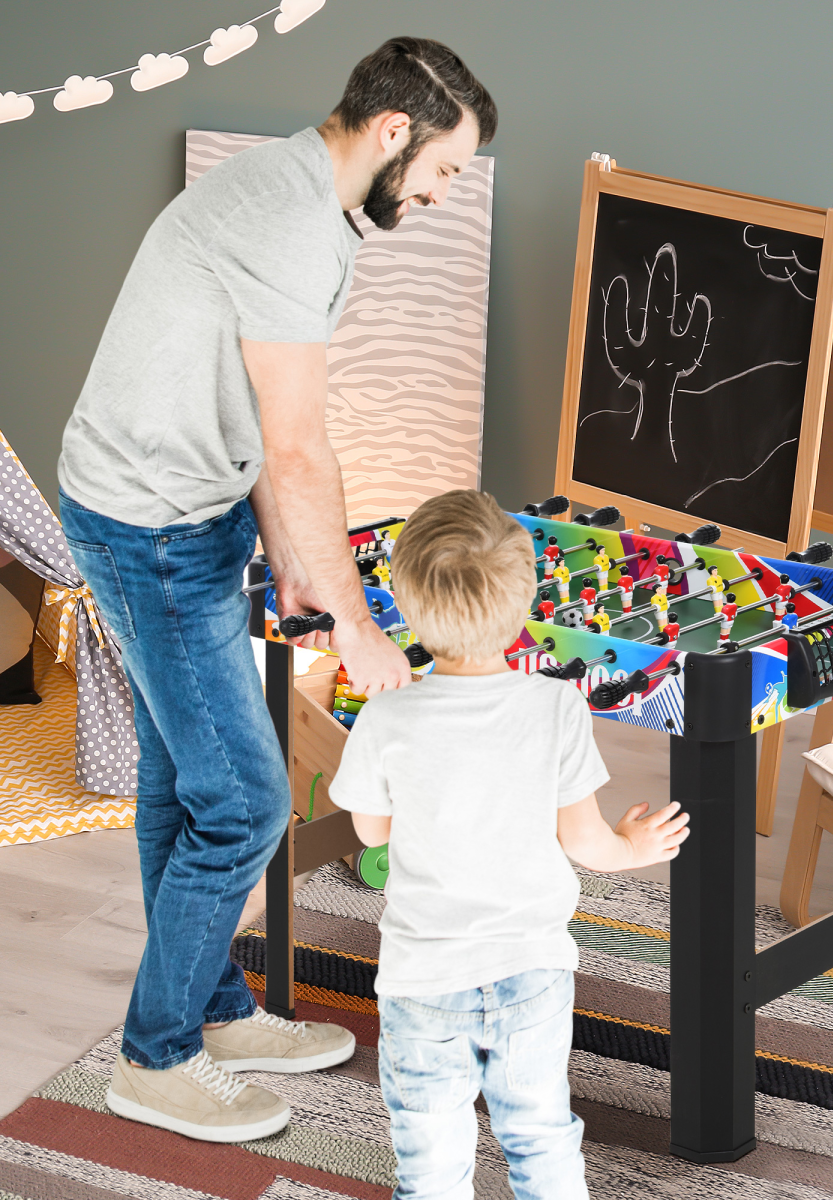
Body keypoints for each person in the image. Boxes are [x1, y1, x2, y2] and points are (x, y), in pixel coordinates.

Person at [57, 38, 498, 1142]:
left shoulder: (308, 199)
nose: (444, 194)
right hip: (149, 526)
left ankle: (211, 1014)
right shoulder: (291, 222)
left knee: (184, 781)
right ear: (394, 132)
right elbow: (299, 448)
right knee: (248, 801)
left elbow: (255, 412)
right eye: (445, 168)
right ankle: (155, 1059)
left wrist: (291, 555)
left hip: (188, 508)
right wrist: (355, 622)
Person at [330, 490, 689, 1199]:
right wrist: (634, 845)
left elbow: (372, 834)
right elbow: (585, 841)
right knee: (540, 1133)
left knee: (430, 1153)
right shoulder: (557, 705)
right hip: (532, 970)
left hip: (423, 978)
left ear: (405, 607)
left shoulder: (386, 716)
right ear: (525, 605)